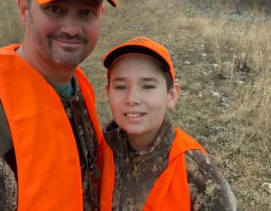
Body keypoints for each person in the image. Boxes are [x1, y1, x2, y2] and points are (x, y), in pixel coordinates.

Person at [0, 0, 116, 210]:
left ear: (101, 16)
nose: (72, 29)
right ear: (24, 11)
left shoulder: (77, 86)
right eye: (55, 9)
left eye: (86, 12)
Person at [100, 36, 237, 211]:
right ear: (108, 92)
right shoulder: (102, 151)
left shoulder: (196, 172)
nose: (132, 99)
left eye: (148, 86)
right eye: (120, 87)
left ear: (171, 95)